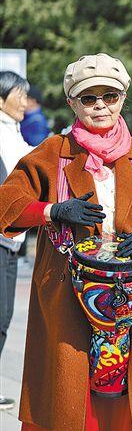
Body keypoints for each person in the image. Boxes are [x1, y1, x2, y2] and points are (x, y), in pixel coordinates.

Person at [0, 53, 132, 431]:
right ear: (72, 103)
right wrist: (53, 210)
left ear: (123, 98)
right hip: (67, 300)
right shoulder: (51, 153)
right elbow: (7, 203)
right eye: (89, 98)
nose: (101, 106)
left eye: (110, 96)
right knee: (69, 396)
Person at [0, 70, 33, 412]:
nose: (24, 101)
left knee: (4, 316)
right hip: (1, 238)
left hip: (10, 241)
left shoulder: (13, 132)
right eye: (18, 94)